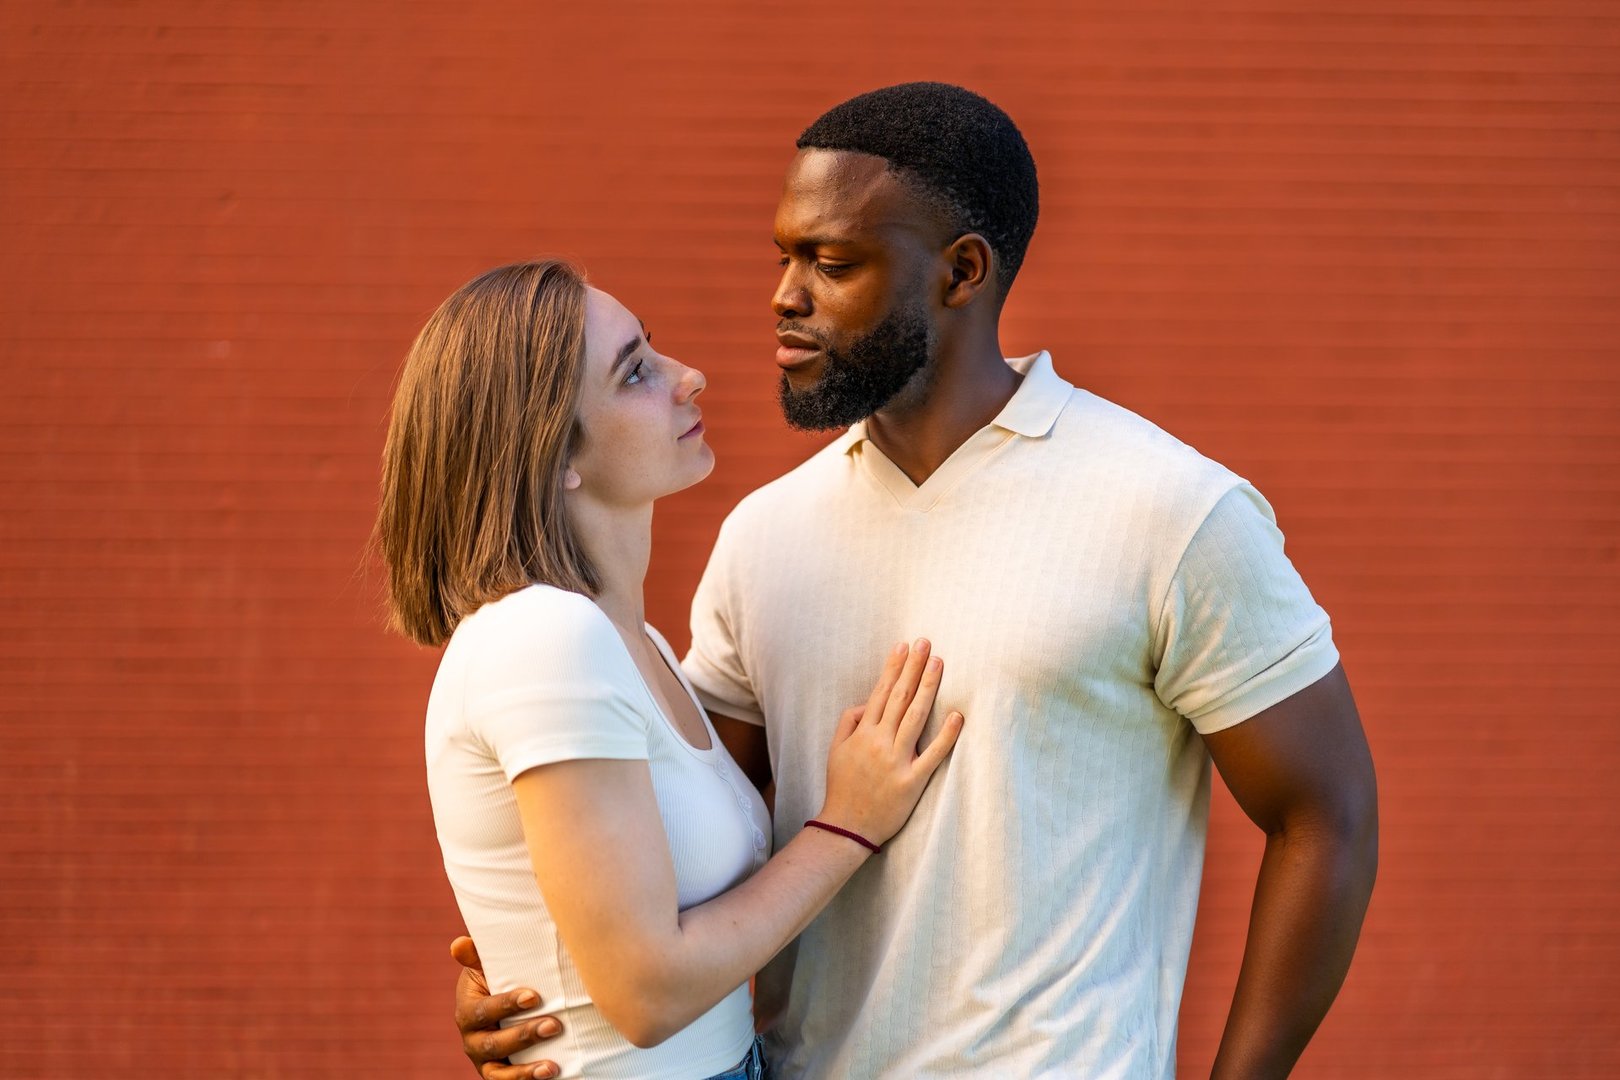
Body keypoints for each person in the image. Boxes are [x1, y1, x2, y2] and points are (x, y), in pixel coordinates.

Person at [454, 83, 1379, 1079]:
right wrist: (539, 986)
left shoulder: (1169, 511)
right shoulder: (764, 537)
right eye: (784, 256)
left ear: (962, 273)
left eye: (833, 262)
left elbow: (1327, 816)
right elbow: (678, 845)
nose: (784, 294)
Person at [374, 259, 964, 1080]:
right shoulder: (545, 636)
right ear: (554, 455)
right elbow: (645, 994)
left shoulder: (632, 642)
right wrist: (847, 825)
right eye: (636, 373)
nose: (691, 377)